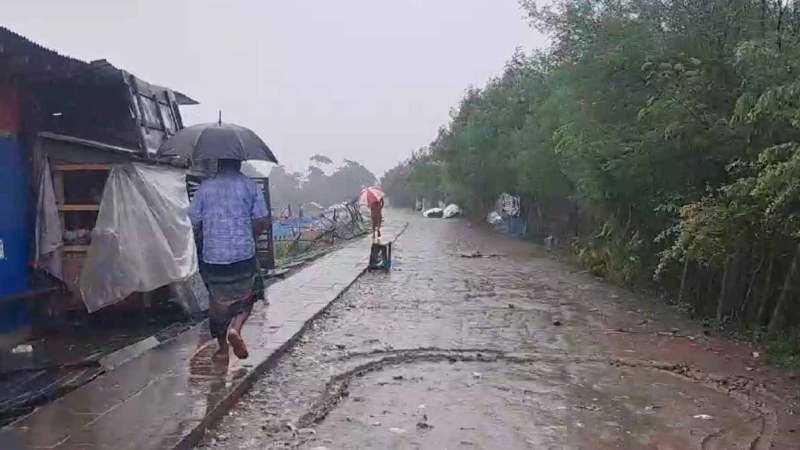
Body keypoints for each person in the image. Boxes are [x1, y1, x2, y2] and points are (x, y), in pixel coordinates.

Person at [189, 159, 269, 360]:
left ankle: (223, 350)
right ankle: (236, 328)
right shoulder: (248, 185)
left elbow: (193, 221)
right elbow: (261, 219)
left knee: (217, 303)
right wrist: (249, 236)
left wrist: (204, 235)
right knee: (251, 294)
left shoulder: (205, 188)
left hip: (213, 257)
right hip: (243, 255)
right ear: (239, 163)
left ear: (218, 163)